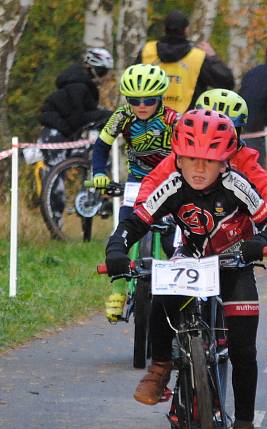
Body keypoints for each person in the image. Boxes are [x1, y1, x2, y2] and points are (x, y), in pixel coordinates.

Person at [105, 109, 267, 429]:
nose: (199, 170)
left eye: (209, 162)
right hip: (191, 259)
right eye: (190, 160)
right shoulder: (170, 183)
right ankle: (160, 367)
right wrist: (116, 252)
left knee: (243, 350)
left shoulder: (237, 184)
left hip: (234, 263)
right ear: (177, 156)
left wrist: (259, 243)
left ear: (224, 163)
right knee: (161, 297)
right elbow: (135, 220)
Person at [91, 64, 179, 322]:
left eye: (148, 100)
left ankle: (180, 291)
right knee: (123, 229)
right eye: (133, 100)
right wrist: (98, 172)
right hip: (137, 180)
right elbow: (101, 146)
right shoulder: (122, 116)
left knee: (171, 238)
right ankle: (119, 290)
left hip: (168, 181)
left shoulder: (173, 119)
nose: (141, 105)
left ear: (160, 97)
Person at [137, 88, 267, 219]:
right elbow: (153, 180)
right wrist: (143, 202)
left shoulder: (243, 157)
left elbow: (266, 185)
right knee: (168, 239)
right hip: (189, 217)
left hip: (231, 222)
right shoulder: (184, 156)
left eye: (226, 130)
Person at [138, 9, 234, 113]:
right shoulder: (198, 57)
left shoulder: (147, 52)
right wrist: (213, 57)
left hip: (151, 123)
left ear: (164, 29)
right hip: (188, 123)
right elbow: (227, 82)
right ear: (186, 30)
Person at [39, 47, 114, 160]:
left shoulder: (83, 86)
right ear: (91, 69)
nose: (103, 77)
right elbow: (77, 119)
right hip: (56, 135)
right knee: (56, 175)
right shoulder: (78, 87)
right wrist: (104, 115)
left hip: (62, 134)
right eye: (101, 72)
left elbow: (84, 113)